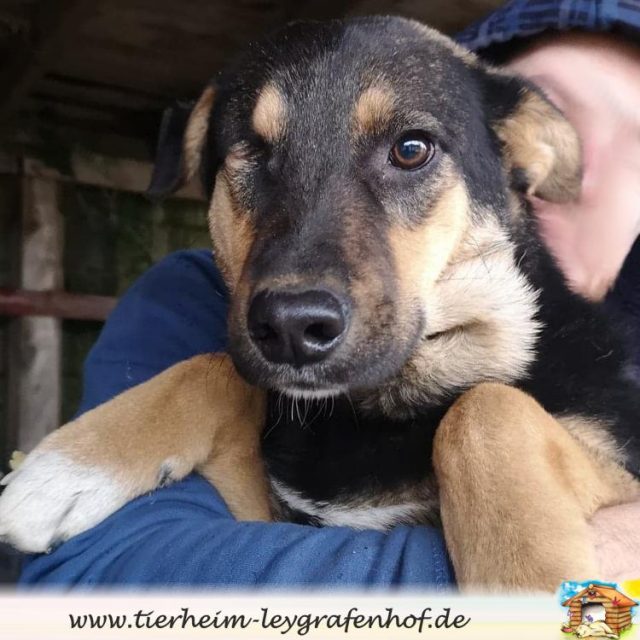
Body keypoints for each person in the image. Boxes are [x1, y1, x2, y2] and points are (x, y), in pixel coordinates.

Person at [20, 0, 640, 587]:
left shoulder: (582, 392)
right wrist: (552, 568)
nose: (591, 172)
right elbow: (88, 585)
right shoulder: (191, 299)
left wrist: (497, 452)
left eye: (410, 150)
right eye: (254, 154)